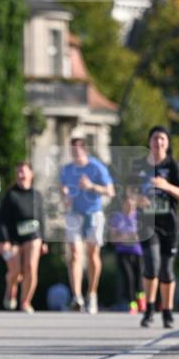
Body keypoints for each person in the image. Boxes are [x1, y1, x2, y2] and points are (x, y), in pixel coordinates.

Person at [131, 126, 179, 328]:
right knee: (151, 264)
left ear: (167, 142)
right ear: (149, 142)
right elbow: (128, 196)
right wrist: (137, 200)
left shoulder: (173, 165)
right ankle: (148, 309)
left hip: (170, 224)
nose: (158, 142)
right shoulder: (139, 166)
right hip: (147, 224)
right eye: (155, 138)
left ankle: (167, 311)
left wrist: (166, 186)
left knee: (166, 270)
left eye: (162, 139)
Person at [60, 131, 115, 313]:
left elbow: (110, 191)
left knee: (92, 255)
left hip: (94, 213)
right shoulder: (67, 169)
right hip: (74, 214)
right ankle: (77, 297)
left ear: (84, 150)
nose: (74, 154)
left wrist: (92, 186)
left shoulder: (96, 167)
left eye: (77, 150)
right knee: (75, 254)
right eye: (72, 151)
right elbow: (63, 190)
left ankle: (92, 294)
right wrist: (65, 196)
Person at [0, 161, 48, 313]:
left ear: (31, 174)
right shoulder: (11, 195)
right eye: (18, 172)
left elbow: (41, 218)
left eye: (23, 172)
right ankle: (10, 289)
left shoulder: (37, 195)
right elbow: (2, 220)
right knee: (15, 271)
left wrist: (43, 241)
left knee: (31, 268)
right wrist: (5, 240)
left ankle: (25, 302)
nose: (20, 175)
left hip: (33, 236)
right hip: (14, 239)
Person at [109, 193, 144, 313]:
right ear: (123, 204)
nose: (129, 206)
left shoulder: (138, 217)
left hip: (137, 252)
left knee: (139, 278)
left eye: (131, 203)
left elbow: (142, 236)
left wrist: (126, 236)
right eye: (127, 203)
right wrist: (126, 237)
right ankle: (132, 304)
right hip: (122, 252)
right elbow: (113, 238)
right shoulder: (117, 218)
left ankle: (141, 300)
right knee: (129, 278)